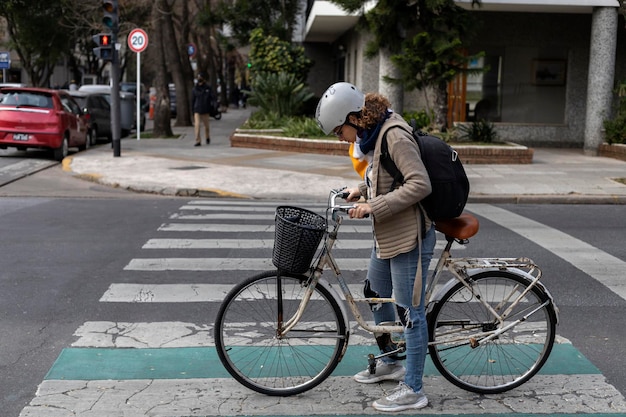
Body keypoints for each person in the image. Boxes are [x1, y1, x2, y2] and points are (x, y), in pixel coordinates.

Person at [316, 82, 436, 412]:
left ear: (355, 118)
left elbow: (419, 184)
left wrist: (374, 206)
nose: (341, 138)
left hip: (409, 236)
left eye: (340, 130)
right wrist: (361, 191)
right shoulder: (375, 134)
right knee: (375, 292)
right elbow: (385, 177)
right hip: (388, 234)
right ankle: (390, 360)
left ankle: (414, 389)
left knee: (410, 313)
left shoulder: (393, 133)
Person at [191, 73, 213, 146]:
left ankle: (207, 137)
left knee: (206, 126)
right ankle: (198, 140)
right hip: (197, 109)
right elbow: (193, 100)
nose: (200, 80)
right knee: (197, 125)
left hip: (205, 109)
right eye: (199, 78)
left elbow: (211, 98)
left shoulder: (208, 88)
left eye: (201, 78)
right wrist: (192, 110)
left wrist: (212, 106)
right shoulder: (195, 89)